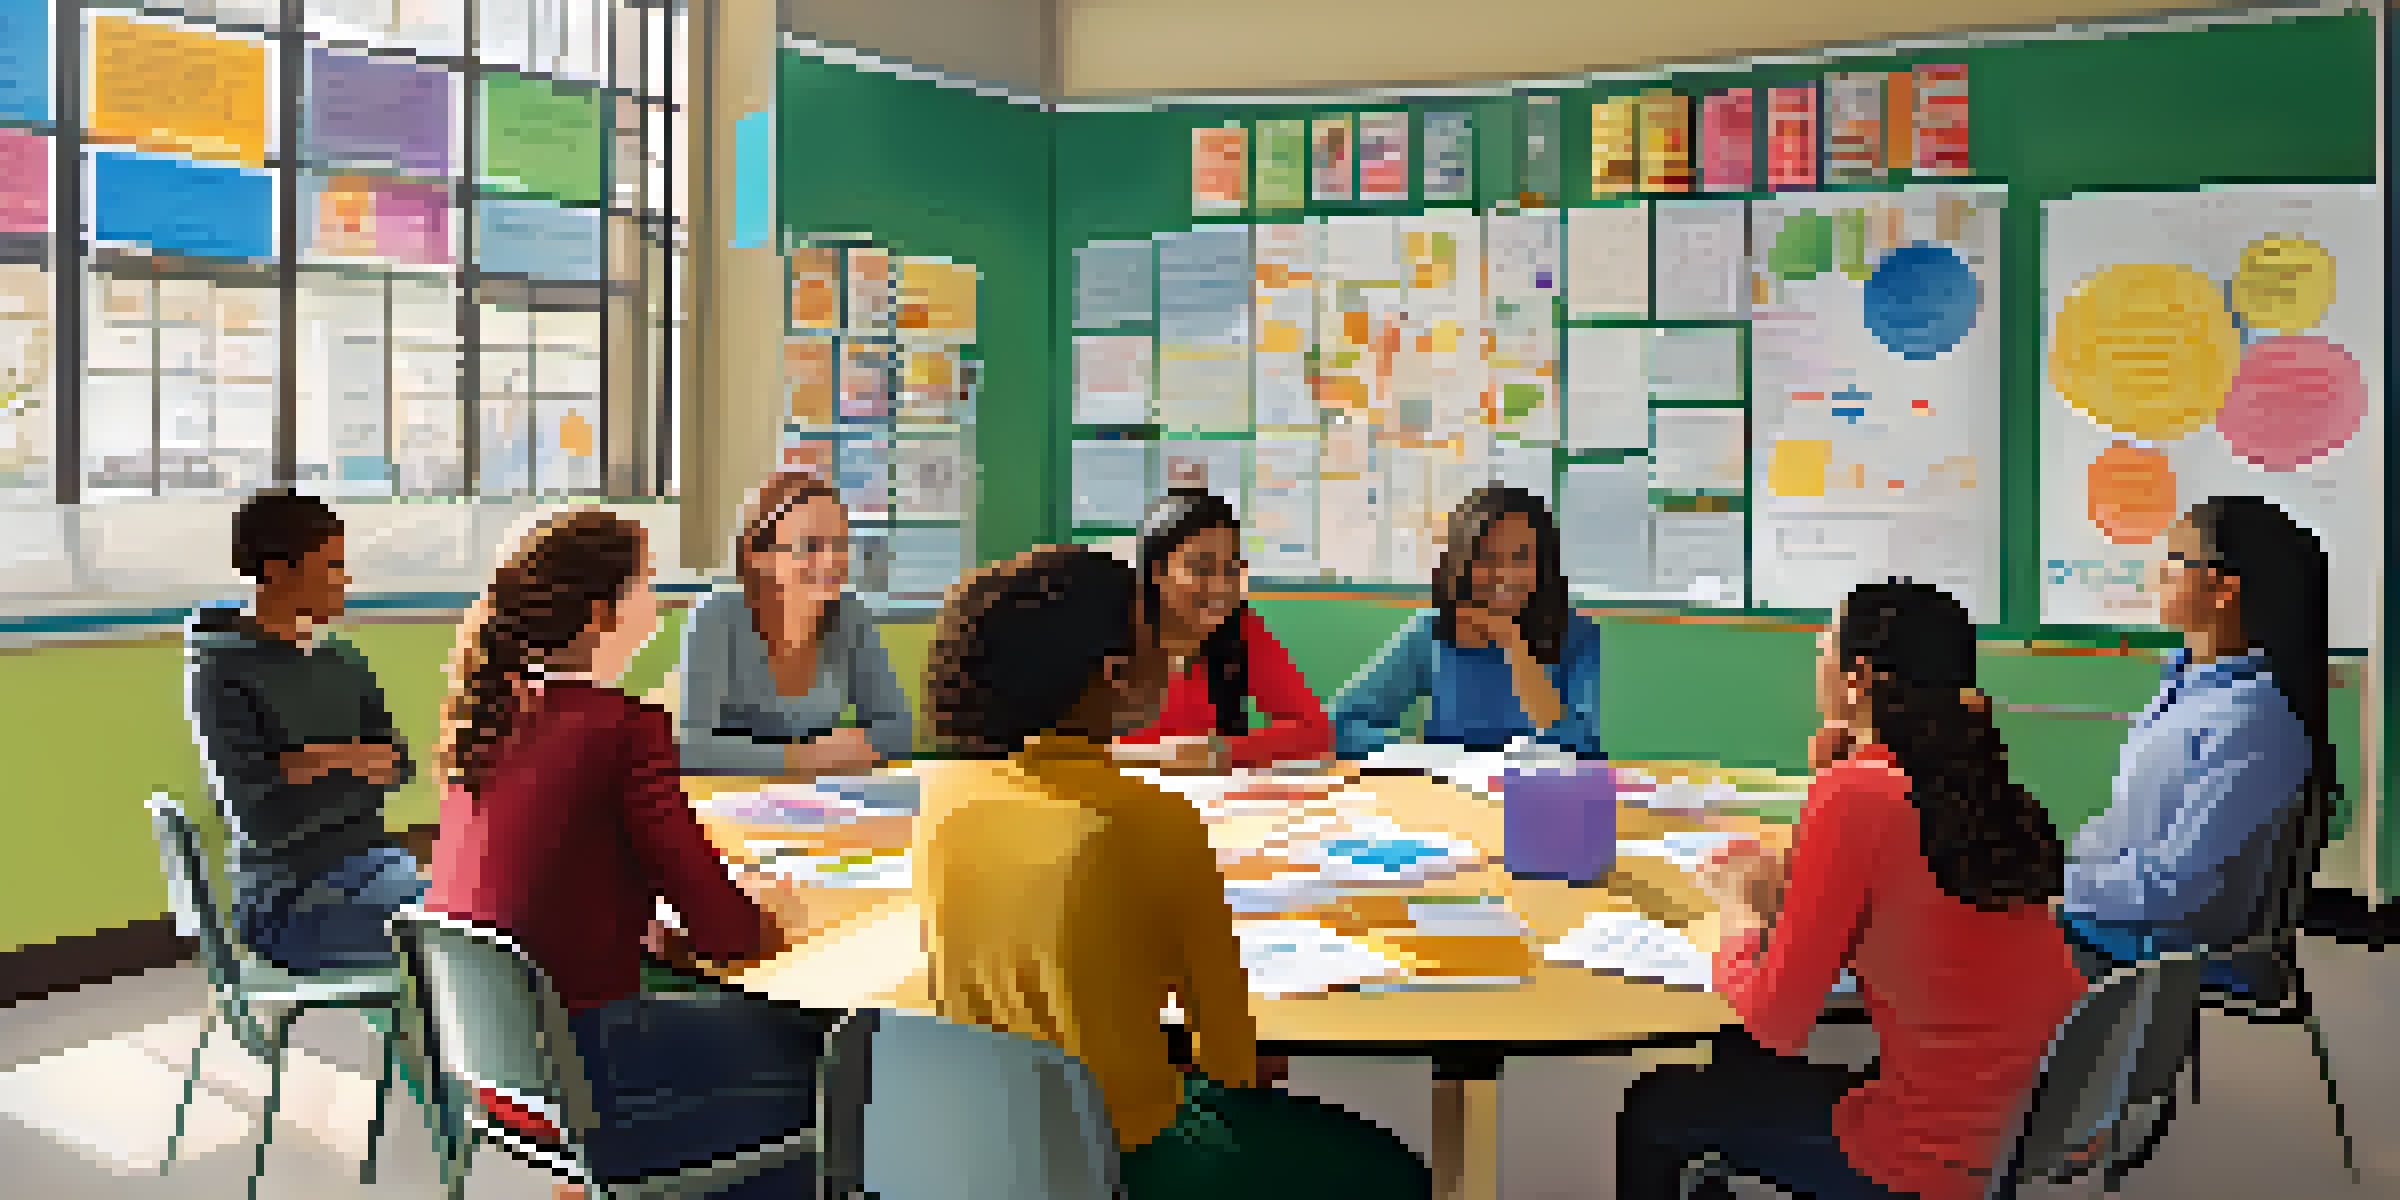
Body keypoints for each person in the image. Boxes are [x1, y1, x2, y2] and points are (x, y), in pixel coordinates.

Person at [916, 545, 1432, 1200]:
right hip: (1129, 1157)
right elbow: (1232, 1059)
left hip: (987, 1148)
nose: (1173, 650)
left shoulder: (945, 798)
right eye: (1153, 634)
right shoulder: (1148, 820)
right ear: (1116, 676)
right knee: (1395, 1175)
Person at [1617, 582, 2087, 1200]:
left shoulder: (1862, 794)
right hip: (2028, 1128)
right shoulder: (1977, 784)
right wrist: (1830, 777)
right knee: (1742, 1070)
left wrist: (1738, 916)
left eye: (1824, 644)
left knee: (1658, 1108)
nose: (1818, 657)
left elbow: (1776, 1021)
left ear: (1856, 676)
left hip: (1933, 1155)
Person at [422, 508, 827, 1200]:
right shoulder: (625, 729)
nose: (660, 600)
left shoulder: (492, 716)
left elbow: (539, 883)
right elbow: (728, 933)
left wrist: (643, 929)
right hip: (591, 1079)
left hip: (497, 1076)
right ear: (603, 613)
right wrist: (779, 910)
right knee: (843, 1054)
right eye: (647, 583)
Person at [2060, 497, 2336, 998]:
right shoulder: (2189, 685)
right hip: (2133, 915)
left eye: (2173, 561)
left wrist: (2065, 891)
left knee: (1984, 933)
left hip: (2176, 943)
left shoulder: (2252, 718)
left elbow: (2186, 888)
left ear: (2223, 588)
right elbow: (2126, 826)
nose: (2156, 573)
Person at [185, 489, 426, 973]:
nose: (345, 580)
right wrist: (355, 760)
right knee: (454, 950)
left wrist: (313, 761)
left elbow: (400, 767)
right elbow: (261, 820)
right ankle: (419, 1047)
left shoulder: (343, 660)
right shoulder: (218, 670)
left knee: (493, 923)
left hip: (378, 865)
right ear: (277, 570)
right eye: (332, 565)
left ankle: (424, 1046)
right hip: (290, 901)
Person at [1331, 484, 1601, 757]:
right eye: (1487, 557)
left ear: (1543, 564)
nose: (1505, 574)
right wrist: (1425, 756)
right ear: (1463, 562)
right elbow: (1339, 727)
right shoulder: (1432, 630)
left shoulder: (1577, 635)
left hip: (1539, 796)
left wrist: (1514, 645)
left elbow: (1581, 750)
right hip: (1449, 794)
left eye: (1521, 556)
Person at [677, 471, 912, 776]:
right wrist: (802, 758)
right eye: (810, 545)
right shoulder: (717, 616)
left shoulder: (850, 615)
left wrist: (859, 746)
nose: (831, 560)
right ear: (758, 554)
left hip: (823, 803)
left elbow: (898, 729)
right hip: (730, 802)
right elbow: (692, 749)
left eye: (841, 543)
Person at [1112, 489, 1333, 772]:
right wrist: (1162, 754)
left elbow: (1315, 732)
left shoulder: (1242, 627)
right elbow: (1071, 744)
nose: (1220, 587)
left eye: (1230, 570)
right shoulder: (1116, 632)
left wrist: (1218, 751)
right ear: (1158, 570)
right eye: (1201, 568)